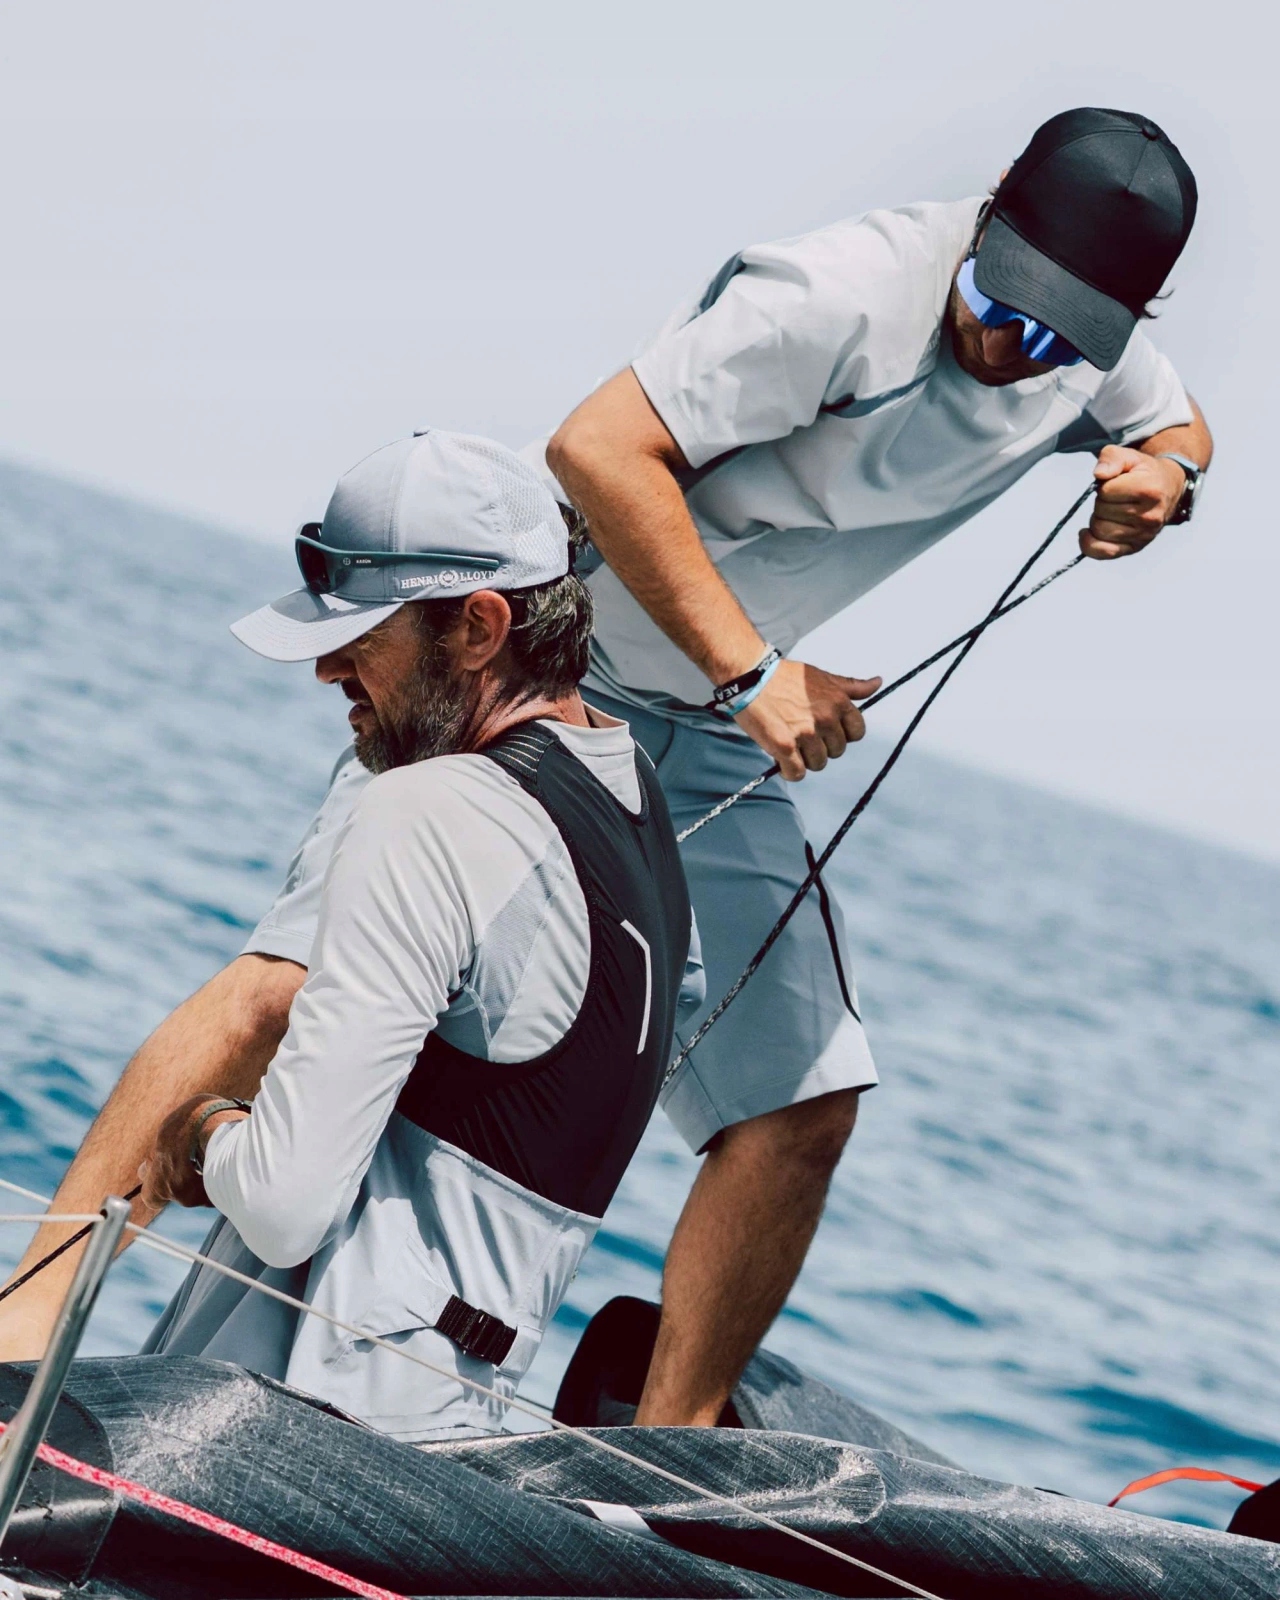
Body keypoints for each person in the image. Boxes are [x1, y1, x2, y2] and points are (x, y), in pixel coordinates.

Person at [541, 106, 1214, 1426]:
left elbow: (1181, 424)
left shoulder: (1086, 347)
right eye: (1002, 306)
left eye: (1061, 338)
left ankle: (655, 1463)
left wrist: (1166, 483)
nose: (1015, 351)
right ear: (989, 213)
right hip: (555, 661)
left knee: (802, 1106)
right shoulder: (834, 295)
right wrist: (755, 675)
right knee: (358, 1004)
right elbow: (594, 448)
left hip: (707, 727)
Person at [8, 430, 702, 1441]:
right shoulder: (639, 808)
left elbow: (283, 1201)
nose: (327, 667)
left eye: (364, 633)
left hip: (279, 1428)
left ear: (479, 627)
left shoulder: (429, 809)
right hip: (452, 1435)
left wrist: (199, 1128)